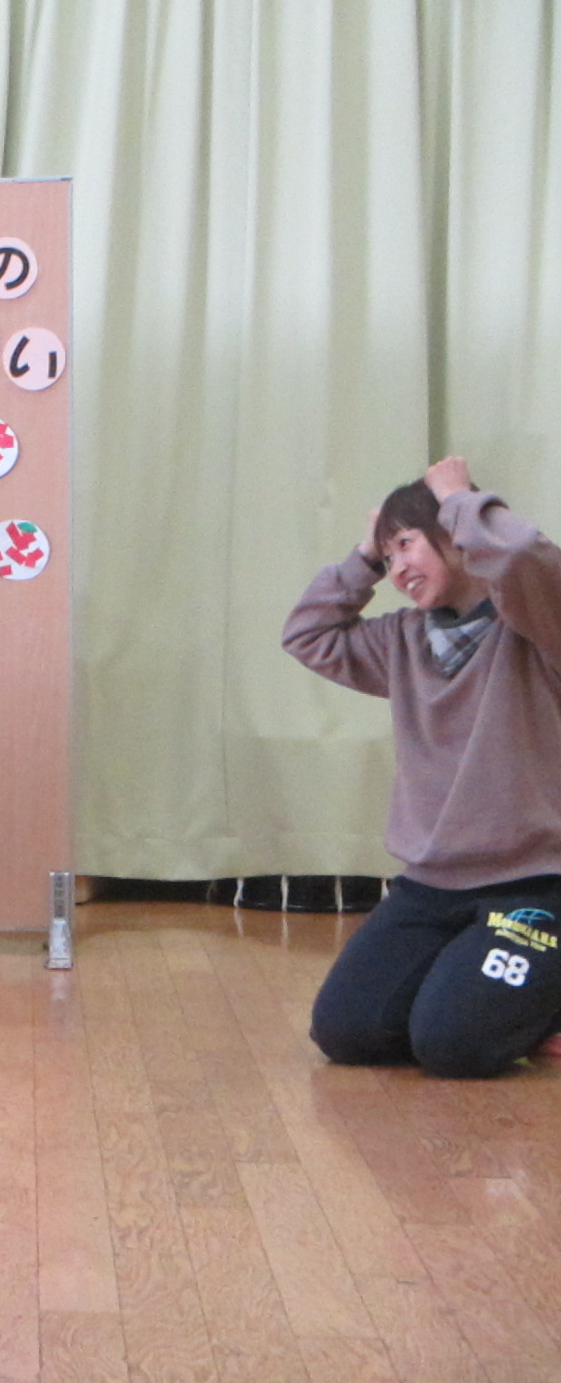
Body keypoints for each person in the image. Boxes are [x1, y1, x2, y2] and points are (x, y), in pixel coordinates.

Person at [285, 456, 561, 1078]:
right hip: (430, 884)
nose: (398, 570)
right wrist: (363, 557)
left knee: (453, 1045)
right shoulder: (401, 640)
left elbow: (523, 557)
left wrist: (459, 498)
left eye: (407, 544)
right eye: (388, 559)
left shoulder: (537, 626)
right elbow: (307, 635)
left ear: (455, 536)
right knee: (346, 1031)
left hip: (535, 883)